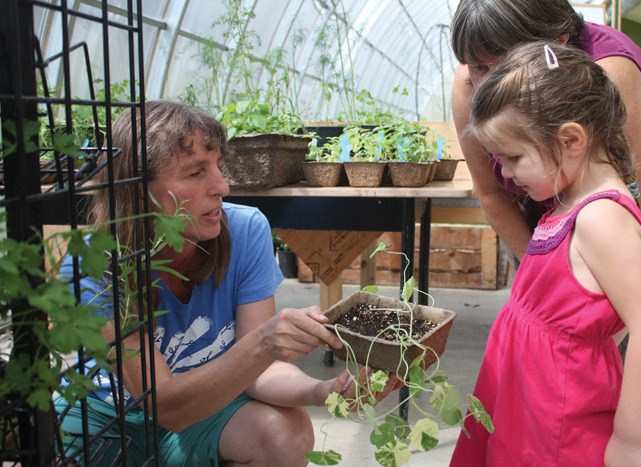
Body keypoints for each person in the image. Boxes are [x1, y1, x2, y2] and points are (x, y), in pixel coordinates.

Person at [54, 100, 396, 466]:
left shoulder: (245, 230)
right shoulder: (94, 264)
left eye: (218, 166)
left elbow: (258, 373)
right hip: (107, 417)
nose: (222, 186)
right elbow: (164, 405)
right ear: (139, 193)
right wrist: (263, 343)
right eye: (195, 173)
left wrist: (322, 390)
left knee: (288, 432)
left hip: (206, 409)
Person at [449, 42, 641, 465]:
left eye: (513, 157)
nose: (508, 174)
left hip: (557, 421)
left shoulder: (601, 218)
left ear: (571, 139)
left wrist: (628, 441)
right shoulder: (570, 199)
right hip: (530, 399)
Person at [450, 0, 641, 262]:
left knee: (613, 278)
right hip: (540, 198)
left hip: (629, 190)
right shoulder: (469, 85)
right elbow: (490, 192)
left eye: (508, 65)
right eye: (480, 67)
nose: (491, 83)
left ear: (559, 41)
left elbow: (631, 197)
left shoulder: (610, 74)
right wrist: (538, 270)